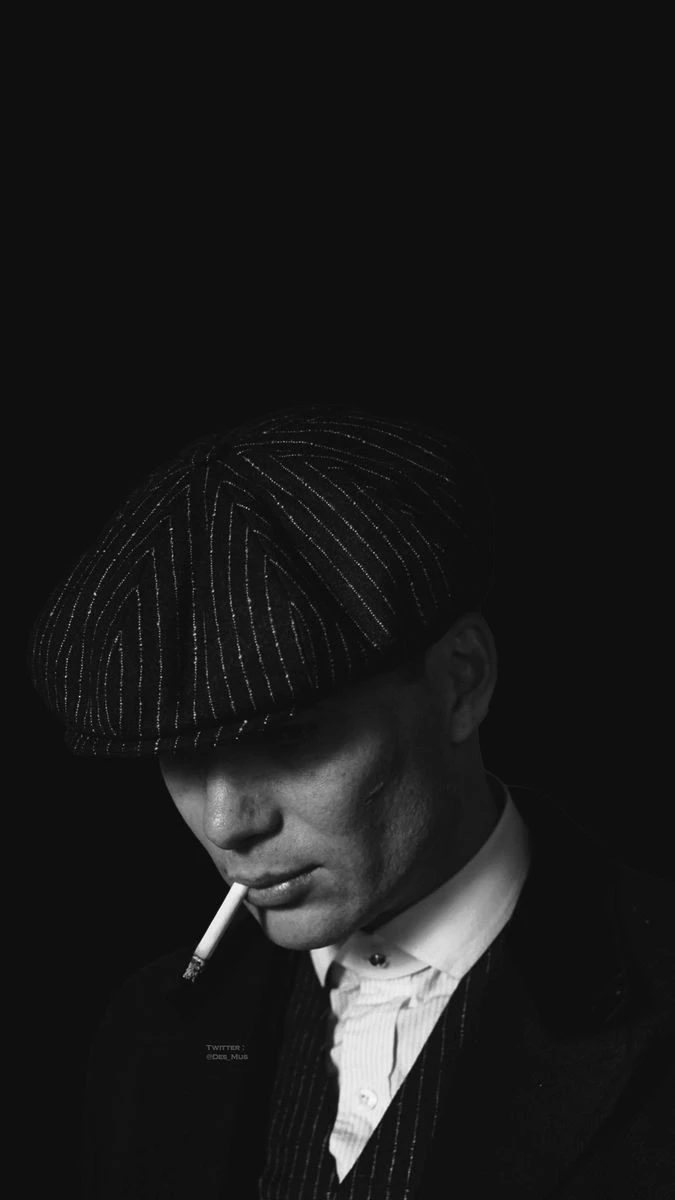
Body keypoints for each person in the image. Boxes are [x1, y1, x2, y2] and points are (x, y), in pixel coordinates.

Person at [28, 406, 674, 1199]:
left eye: (289, 738)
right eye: (183, 756)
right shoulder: (149, 1033)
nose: (227, 824)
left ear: (460, 681)